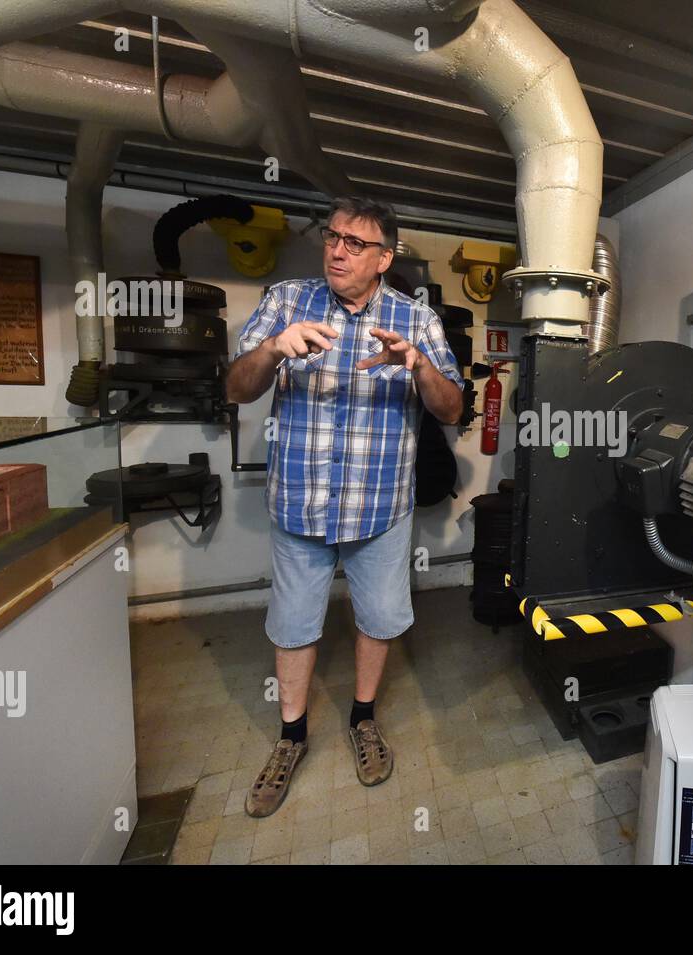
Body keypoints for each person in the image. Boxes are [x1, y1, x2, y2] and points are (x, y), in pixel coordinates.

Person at [225, 196, 465, 817]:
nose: (336, 250)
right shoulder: (285, 300)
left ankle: (362, 718)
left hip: (380, 506)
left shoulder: (417, 320)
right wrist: (275, 348)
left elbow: (452, 408)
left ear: (385, 258)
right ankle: (292, 735)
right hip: (300, 502)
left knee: (379, 617)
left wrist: (416, 365)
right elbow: (235, 387)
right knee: (294, 622)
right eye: (332, 237)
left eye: (355, 244)